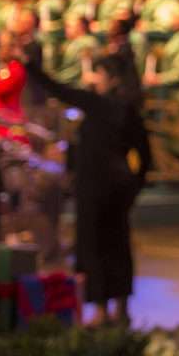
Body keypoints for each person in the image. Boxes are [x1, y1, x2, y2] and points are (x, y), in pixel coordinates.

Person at [21, 42, 151, 327]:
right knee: (118, 247)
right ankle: (121, 308)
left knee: (93, 248)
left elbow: (58, 89)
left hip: (94, 189)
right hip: (118, 190)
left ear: (112, 79)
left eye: (99, 74)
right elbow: (145, 157)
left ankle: (102, 310)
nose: (93, 79)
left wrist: (30, 65)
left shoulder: (97, 104)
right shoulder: (129, 110)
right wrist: (133, 187)